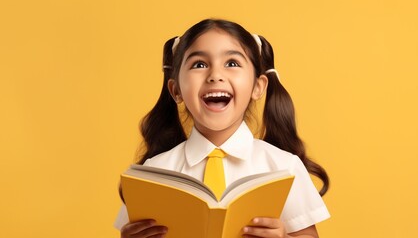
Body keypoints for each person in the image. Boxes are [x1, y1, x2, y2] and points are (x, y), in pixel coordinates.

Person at [115, 18, 330, 238]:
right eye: (199, 64)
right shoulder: (153, 174)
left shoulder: (284, 167)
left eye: (232, 63)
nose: (215, 75)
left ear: (258, 86)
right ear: (176, 90)